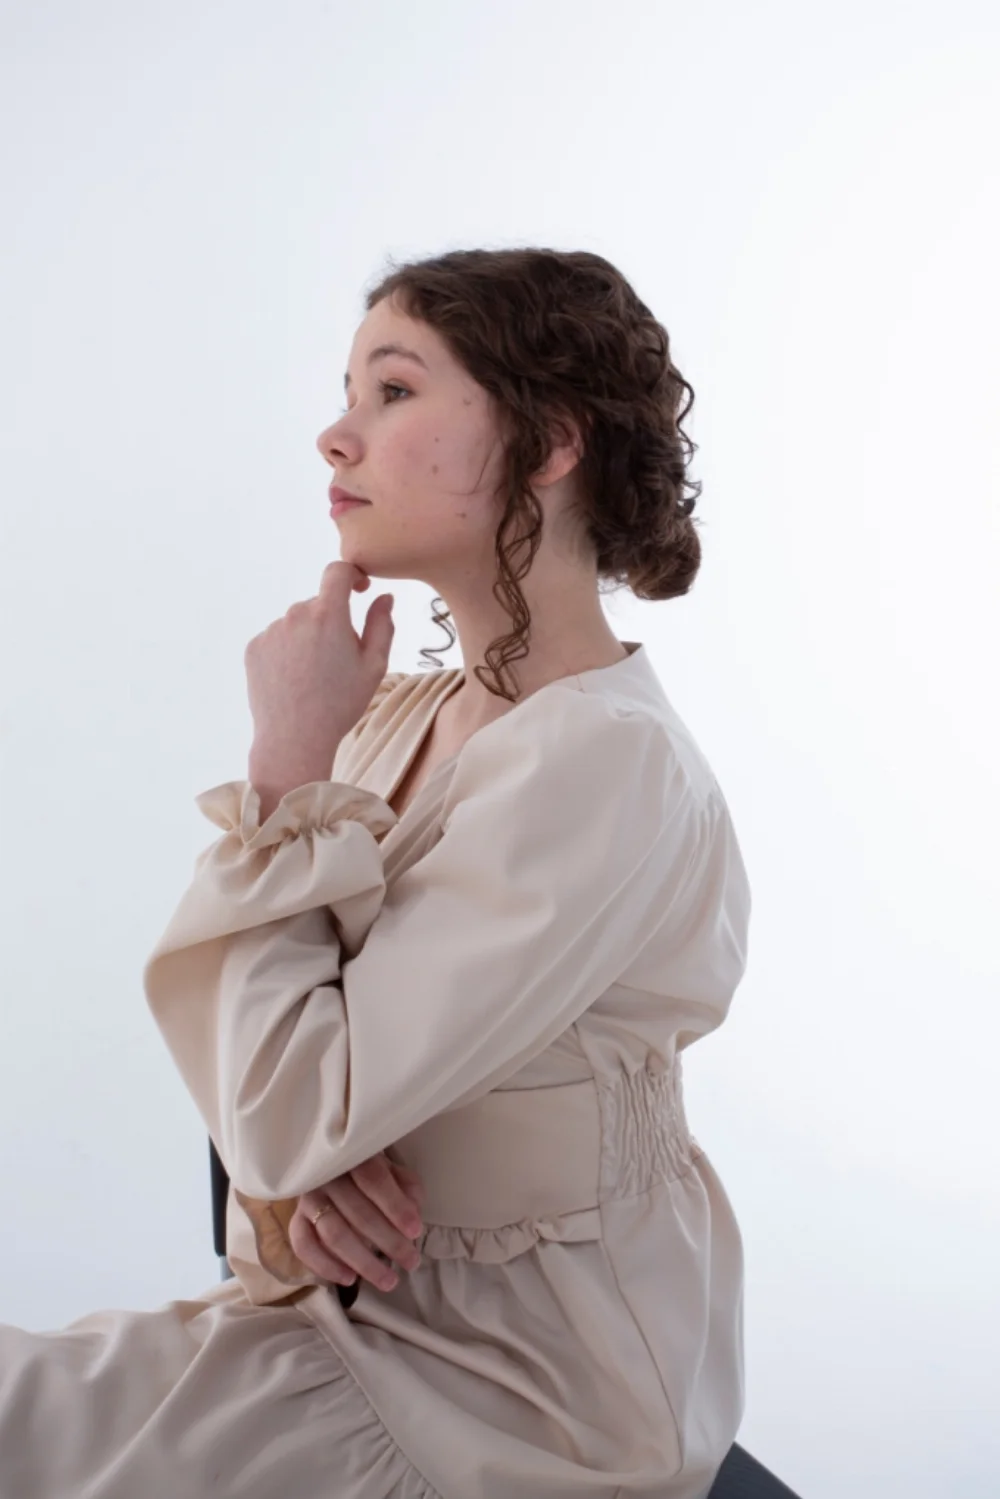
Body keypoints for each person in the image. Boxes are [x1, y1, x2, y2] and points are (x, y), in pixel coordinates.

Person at [0, 247, 752, 1499]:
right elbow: (279, 1083)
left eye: (393, 391)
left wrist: (286, 769)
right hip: (349, 1308)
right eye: (350, 392)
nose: (335, 435)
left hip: (511, 1386)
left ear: (551, 440)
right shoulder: (399, 715)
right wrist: (309, 1164)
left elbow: (283, 1099)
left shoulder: (604, 760)